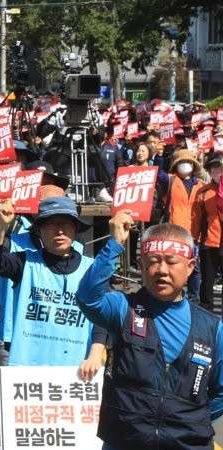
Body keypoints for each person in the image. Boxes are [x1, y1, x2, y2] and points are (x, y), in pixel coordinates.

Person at [78, 212, 223, 450]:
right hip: (126, 441)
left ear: (190, 267)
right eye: (153, 261)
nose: (161, 270)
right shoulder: (123, 308)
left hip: (188, 443)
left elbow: (220, 392)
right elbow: (88, 298)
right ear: (142, 267)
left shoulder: (212, 327)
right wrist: (114, 244)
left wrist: (189, 417)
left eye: (171, 261)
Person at [0, 196, 94, 366]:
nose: (59, 231)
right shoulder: (24, 263)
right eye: (51, 225)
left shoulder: (91, 269)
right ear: (39, 230)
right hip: (28, 372)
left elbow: (102, 319)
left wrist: (97, 352)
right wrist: (1, 226)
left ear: (75, 228)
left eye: (65, 224)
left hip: (76, 373)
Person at [192, 155, 223, 312]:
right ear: (210, 171)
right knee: (207, 282)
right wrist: (194, 240)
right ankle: (206, 316)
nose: (218, 171)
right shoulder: (203, 192)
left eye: (221, 167)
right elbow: (196, 219)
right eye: (215, 168)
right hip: (209, 242)